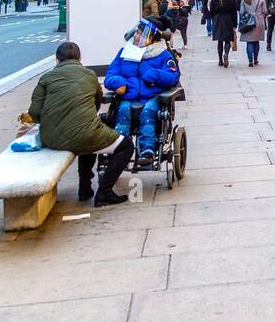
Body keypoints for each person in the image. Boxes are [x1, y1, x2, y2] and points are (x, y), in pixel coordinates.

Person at [18, 41, 134, 207]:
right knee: (126, 145)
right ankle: (105, 192)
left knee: (88, 136)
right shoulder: (89, 75)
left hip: (51, 139)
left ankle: (85, 189)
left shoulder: (46, 78)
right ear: (80, 58)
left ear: (56, 60)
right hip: (85, 134)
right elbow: (97, 103)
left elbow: (34, 113)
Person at [104, 17, 181, 167]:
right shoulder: (125, 52)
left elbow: (173, 75)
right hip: (128, 96)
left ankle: (147, 150)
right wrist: (118, 82)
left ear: (152, 38)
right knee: (123, 111)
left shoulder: (162, 54)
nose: (136, 36)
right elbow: (111, 73)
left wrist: (156, 75)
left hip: (151, 96)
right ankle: (119, 149)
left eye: (141, 34)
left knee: (149, 112)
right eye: (136, 33)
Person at [210, 0, 238, 67]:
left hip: (218, 19)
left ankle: (220, 60)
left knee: (219, 41)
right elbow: (234, 12)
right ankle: (226, 54)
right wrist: (235, 24)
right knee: (227, 40)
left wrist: (214, 19)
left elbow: (212, 11)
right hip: (228, 20)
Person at [239, 0, 267, 67]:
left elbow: (241, 12)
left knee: (249, 42)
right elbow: (265, 11)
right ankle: (256, 59)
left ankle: (250, 61)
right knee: (256, 41)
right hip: (258, 22)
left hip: (248, 23)